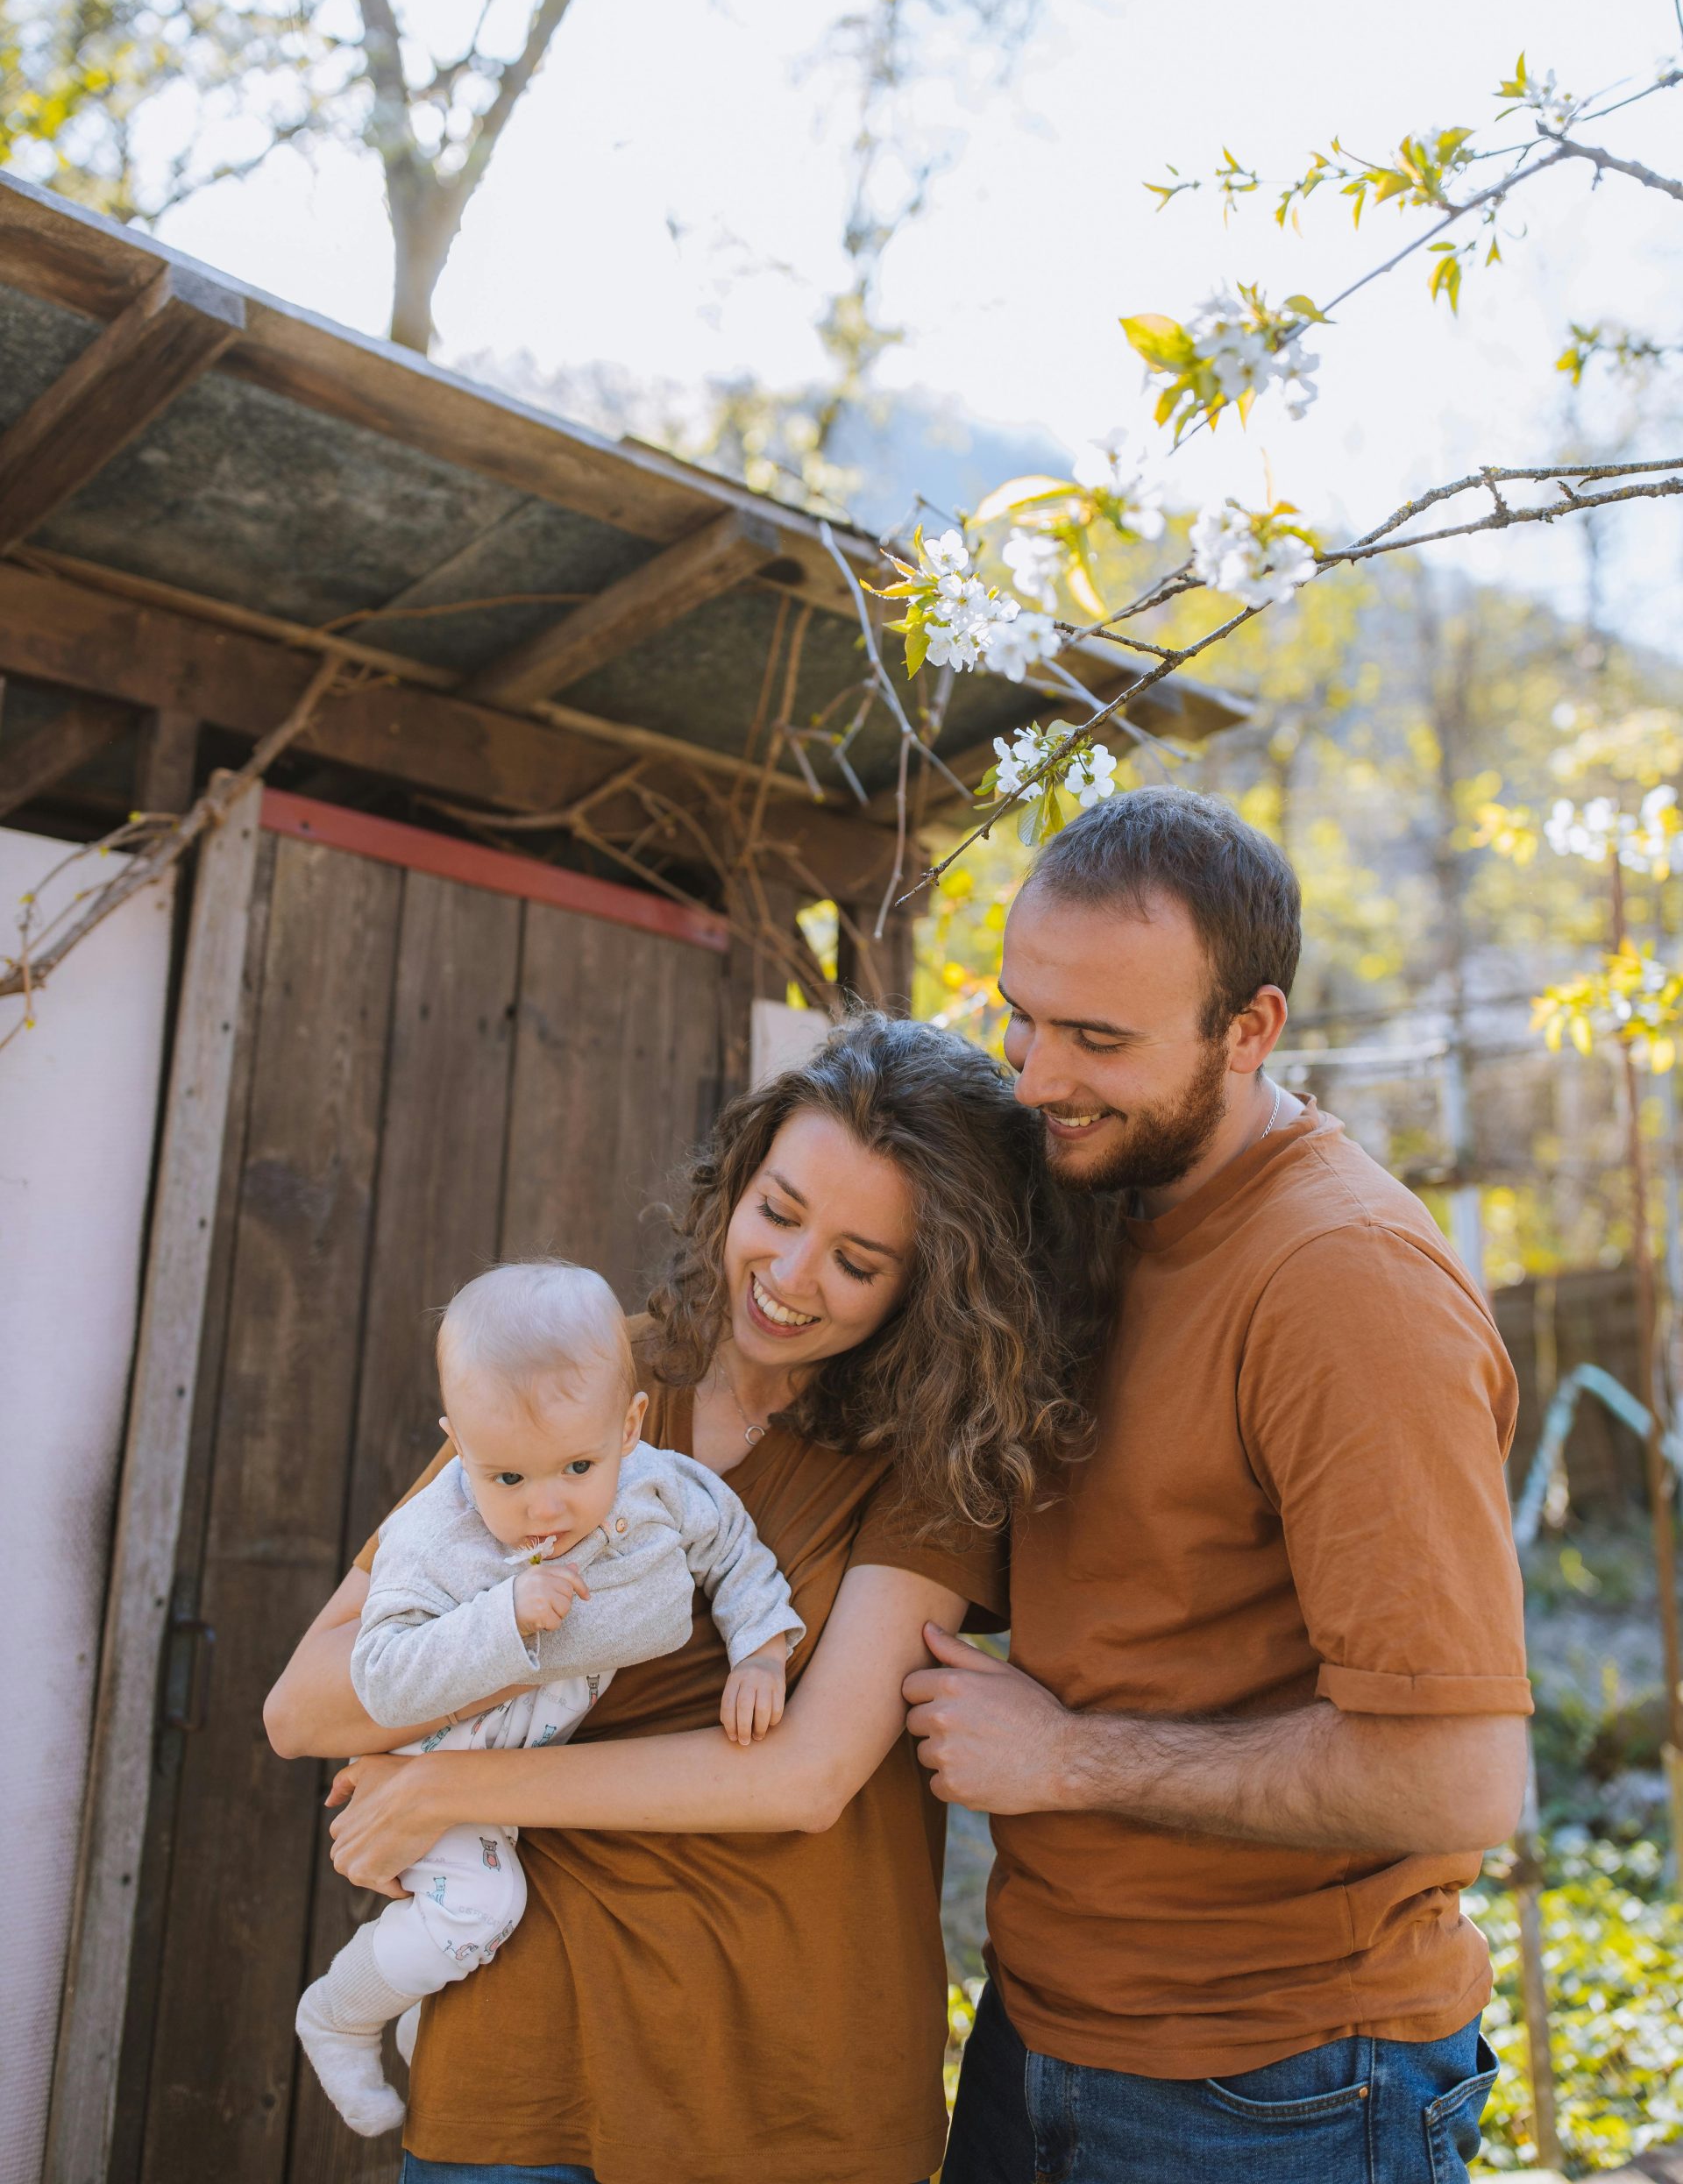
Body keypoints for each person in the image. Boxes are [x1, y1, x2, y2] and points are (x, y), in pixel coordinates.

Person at [265, 1013, 1107, 2184]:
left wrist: (447, 1781)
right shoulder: (584, 1380)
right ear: (736, 1185)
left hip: (786, 2074)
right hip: (525, 2044)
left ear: (934, 1288)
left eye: (860, 1264)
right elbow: (307, 1706)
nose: (791, 1278)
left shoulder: (931, 1464)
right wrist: (510, 1634)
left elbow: (805, 1777)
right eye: (778, 1212)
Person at [906, 786, 1532, 2184]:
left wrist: (1064, 1755)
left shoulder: (1344, 1288)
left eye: (1098, 1040)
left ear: (1250, 1031)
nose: (1031, 1076)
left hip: (1280, 2086)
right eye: (1022, 1013)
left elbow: (1456, 1779)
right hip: (1042, 2022)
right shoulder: (1103, 1191)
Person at [296, 1259, 802, 2138]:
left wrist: (761, 1652)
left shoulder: (657, 1484)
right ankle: (340, 2014)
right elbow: (379, 1673)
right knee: (486, 1910)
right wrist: (503, 1621)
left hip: (517, 1780)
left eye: (576, 1465)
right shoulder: (433, 1535)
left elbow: (733, 1551)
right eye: (508, 1479)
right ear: (459, 1445)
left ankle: (413, 2011)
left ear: (631, 1423)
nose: (545, 1508)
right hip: (434, 1766)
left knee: (460, 1934)